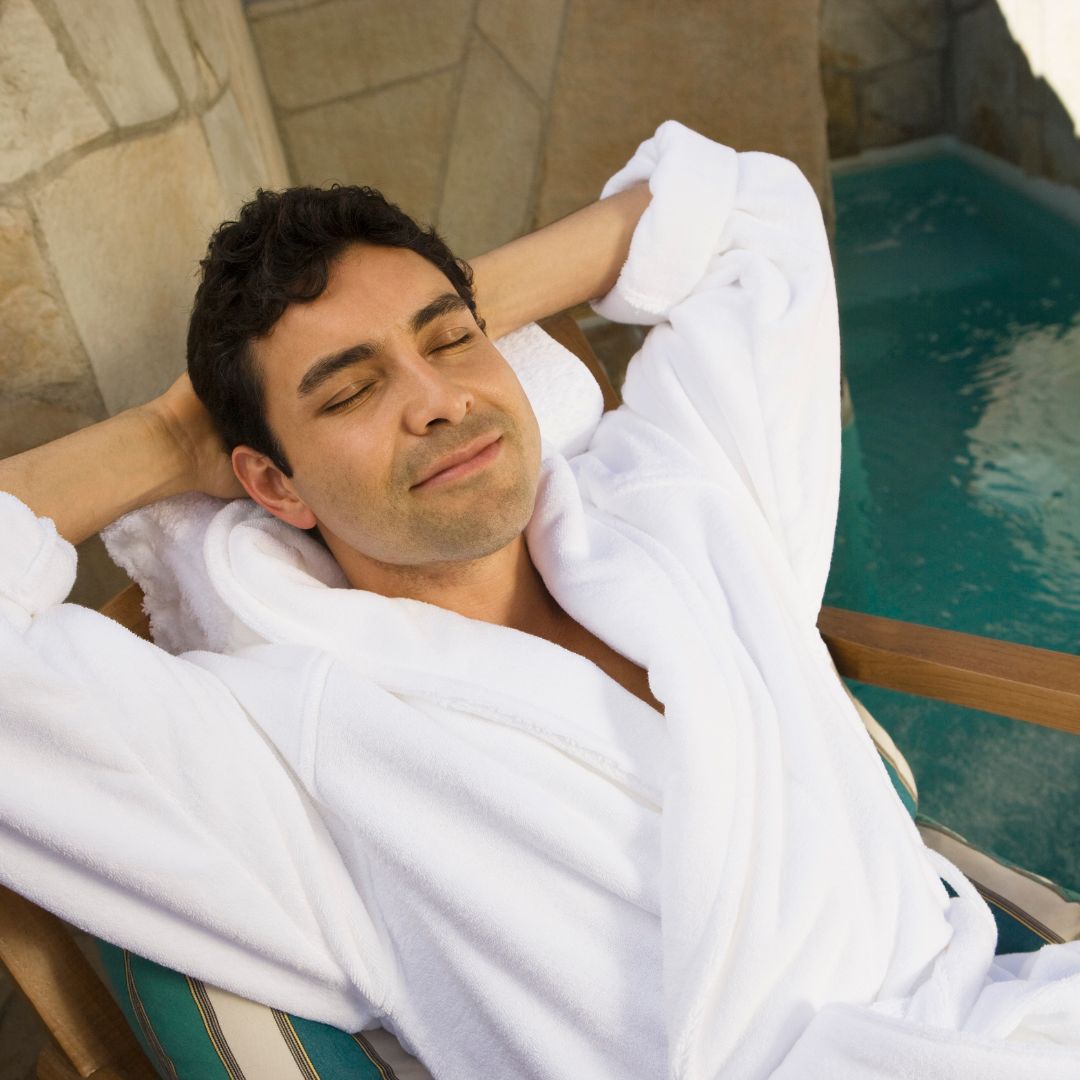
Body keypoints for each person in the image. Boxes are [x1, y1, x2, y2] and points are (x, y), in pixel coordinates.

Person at [1, 121, 1077, 1079]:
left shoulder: (672, 504)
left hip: (997, 1021)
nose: (438, 403)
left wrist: (449, 307)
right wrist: (168, 442)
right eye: (353, 391)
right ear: (273, 484)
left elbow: (754, 212)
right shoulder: (285, 743)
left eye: (453, 340)